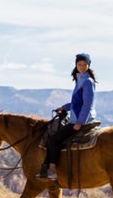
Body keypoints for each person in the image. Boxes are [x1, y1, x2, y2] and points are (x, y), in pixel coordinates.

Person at [36, 53, 98, 181]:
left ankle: (52, 171)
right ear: (76, 65)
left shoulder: (87, 81)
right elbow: (76, 102)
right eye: (79, 64)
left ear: (88, 65)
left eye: (84, 64)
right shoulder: (80, 79)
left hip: (81, 120)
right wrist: (64, 107)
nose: (82, 67)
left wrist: (80, 122)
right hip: (76, 118)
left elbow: (87, 104)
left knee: (53, 140)